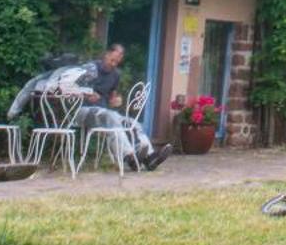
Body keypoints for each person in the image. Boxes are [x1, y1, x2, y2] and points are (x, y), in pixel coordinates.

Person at [9, 43, 172, 170]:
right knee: (111, 117)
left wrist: (116, 101)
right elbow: (68, 88)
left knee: (132, 122)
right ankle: (130, 156)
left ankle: (149, 157)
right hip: (80, 111)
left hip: (103, 113)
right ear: (106, 55)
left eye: (117, 61)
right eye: (112, 59)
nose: (114, 64)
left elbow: (111, 97)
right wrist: (86, 94)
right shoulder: (88, 69)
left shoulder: (115, 75)